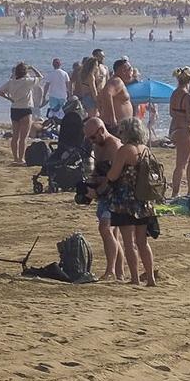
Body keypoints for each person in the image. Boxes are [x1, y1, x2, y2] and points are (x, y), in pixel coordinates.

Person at [103, 118, 161, 286]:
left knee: (129, 243)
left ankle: (135, 278)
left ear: (127, 132)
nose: (118, 134)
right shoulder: (146, 150)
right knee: (142, 242)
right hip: (144, 201)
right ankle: (150, 278)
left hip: (125, 202)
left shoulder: (124, 150)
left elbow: (113, 176)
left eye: (121, 131)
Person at [83, 115, 126, 281]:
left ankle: (111, 271)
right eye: (89, 139)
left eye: (93, 137)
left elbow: (115, 176)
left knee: (104, 228)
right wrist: (91, 182)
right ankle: (120, 272)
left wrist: (99, 189)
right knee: (113, 235)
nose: (92, 141)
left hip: (115, 194)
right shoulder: (98, 146)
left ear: (101, 131)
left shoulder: (114, 146)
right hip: (104, 193)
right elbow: (99, 170)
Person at [0, 63, 43, 164]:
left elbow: (0, 91)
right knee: (23, 138)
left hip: (14, 109)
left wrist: (9, 98)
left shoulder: (11, 82)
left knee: (15, 136)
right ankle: (21, 159)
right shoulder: (27, 81)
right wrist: (32, 68)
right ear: (25, 72)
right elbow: (40, 77)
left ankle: (15, 158)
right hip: (25, 109)